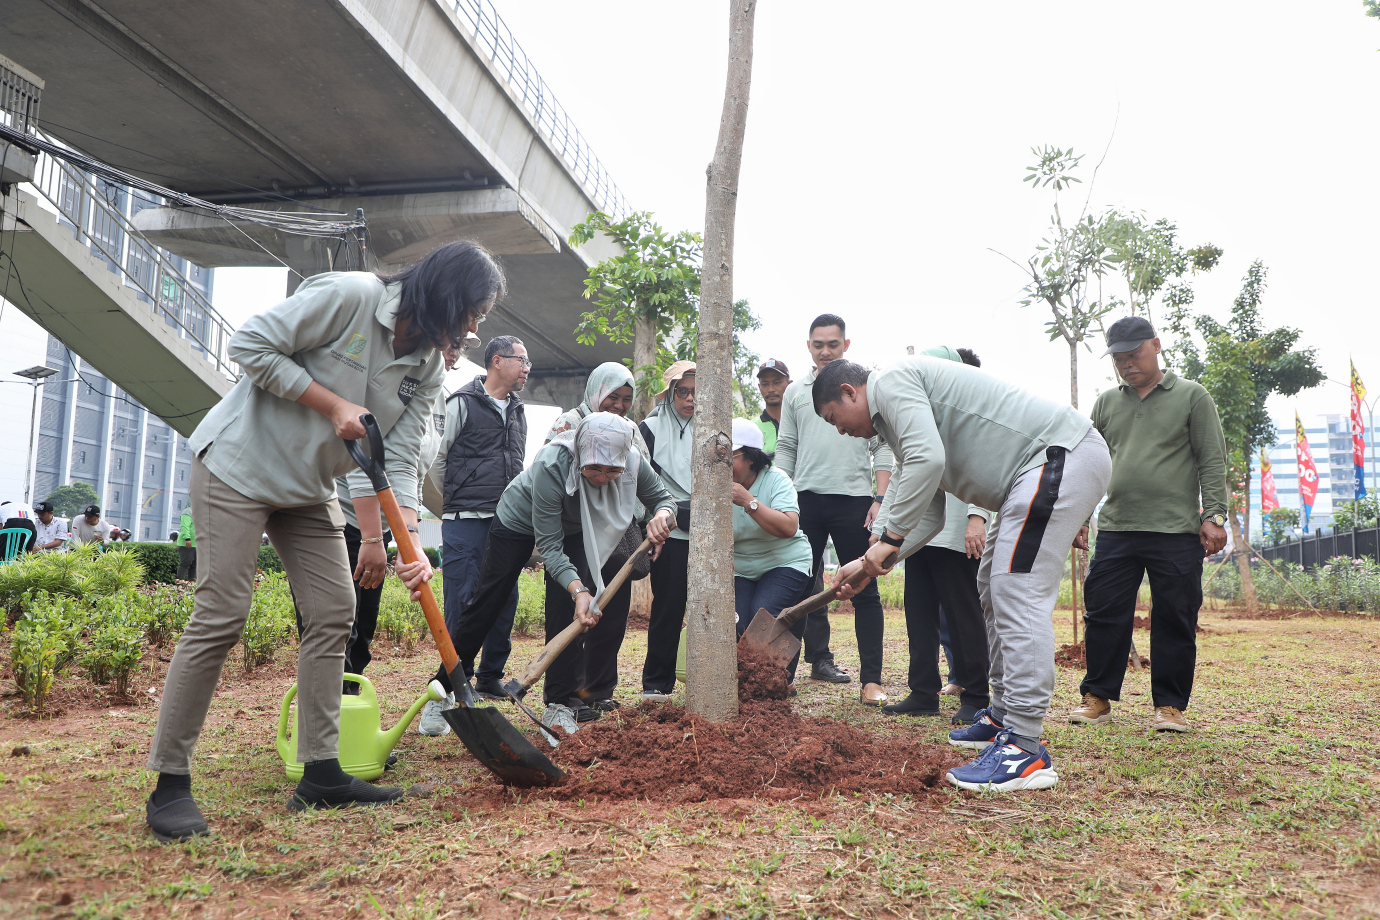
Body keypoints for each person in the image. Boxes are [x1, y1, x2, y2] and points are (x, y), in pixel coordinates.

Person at [143, 240, 505, 843]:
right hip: (237, 464)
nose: (474, 330)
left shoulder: (429, 367)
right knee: (222, 615)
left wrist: (407, 544)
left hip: (307, 488)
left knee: (335, 615)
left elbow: (397, 461)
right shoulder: (350, 296)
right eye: (473, 313)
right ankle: (170, 784)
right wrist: (331, 402)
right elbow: (249, 345)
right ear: (445, 296)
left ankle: (321, 773)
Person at [815, 356, 1111, 792]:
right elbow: (930, 513)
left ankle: (1025, 749)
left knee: (1017, 590)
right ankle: (1002, 720)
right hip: (1032, 475)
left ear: (849, 392)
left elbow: (927, 461)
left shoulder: (893, 382)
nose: (840, 430)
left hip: (1057, 456)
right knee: (991, 587)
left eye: (834, 419)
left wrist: (887, 541)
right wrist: (870, 565)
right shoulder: (898, 422)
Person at [432, 412, 677, 724]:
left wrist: (662, 515)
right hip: (518, 521)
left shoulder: (633, 462)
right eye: (593, 468)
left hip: (576, 527)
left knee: (565, 612)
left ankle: (558, 704)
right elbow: (549, 546)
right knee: (488, 603)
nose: (601, 478)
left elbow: (663, 499)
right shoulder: (553, 464)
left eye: (611, 470)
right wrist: (580, 589)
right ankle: (441, 691)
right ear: (581, 455)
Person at [1072, 317, 1228, 733]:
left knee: (1175, 616)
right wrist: (1079, 517)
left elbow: (1212, 459)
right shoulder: (1106, 403)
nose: (1127, 365)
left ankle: (1170, 706)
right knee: (1104, 614)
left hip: (1176, 530)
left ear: (1156, 345)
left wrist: (1214, 516)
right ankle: (1097, 697)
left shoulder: (1192, 397)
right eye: (1119, 359)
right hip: (1118, 528)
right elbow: (1088, 463)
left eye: (1134, 355)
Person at [775, 314, 893, 704]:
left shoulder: (861, 389)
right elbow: (786, 448)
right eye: (818, 344)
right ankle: (783, 676)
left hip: (855, 504)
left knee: (864, 589)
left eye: (833, 344)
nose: (825, 350)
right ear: (808, 346)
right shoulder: (794, 393)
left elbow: (881, 447)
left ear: (846, 345)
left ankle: (871, 682)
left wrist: (879, 499)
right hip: (803, 502)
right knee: (796, 585)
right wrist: (780, 498)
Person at [416, 336, 528, 735]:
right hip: (465, 518)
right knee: (462, 600)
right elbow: (437, 461)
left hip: (507, 522)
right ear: (497, 361)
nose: (527, 367)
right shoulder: (460, 403)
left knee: (504, 597)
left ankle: (490, 675)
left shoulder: (518, 411)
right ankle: (451, 686)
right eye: (521, 360)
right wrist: (456, 500)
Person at [339, 342, 460, 705]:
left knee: (363, 625)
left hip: (383, 523)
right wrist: (372, 539)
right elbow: (365, 465)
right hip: (340, 517)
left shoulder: (437, 394)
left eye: (462, 346)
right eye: (451, 342)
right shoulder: (391, 381)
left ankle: (351, 711)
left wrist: (410, 540)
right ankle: (329, 727)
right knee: (338, 622)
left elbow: (409, 468)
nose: (455, 351)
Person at [882, 346, 992, 724]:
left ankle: (976, 694)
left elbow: (987, 468)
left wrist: (977, 517)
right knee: (919, 612)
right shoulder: (914, 415)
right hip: (919, 530)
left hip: (958, 529)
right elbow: (900, 471)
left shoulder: (968, 417)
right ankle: (923, 691)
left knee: (963, 614)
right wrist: (885, 529)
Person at [729, 418, 814, 682]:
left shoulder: (776, 480)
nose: (722, 464)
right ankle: (752, 683)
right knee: (739, 624)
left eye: (729, 456)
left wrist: (748, 501)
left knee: (763, 615)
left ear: (751, 458)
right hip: (742, 567)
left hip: (786, 561)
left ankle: (778, 682)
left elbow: (789, 526)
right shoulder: (714, 487)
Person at [638, 361, 697, 702]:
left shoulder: (714, 427)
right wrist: (651, 529)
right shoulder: (649, 429)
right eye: (683, 392)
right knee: (668, 609)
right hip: (668, 532)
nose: (690, 399)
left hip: (708, 531)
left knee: (711, 609)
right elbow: (640, 484)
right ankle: (657, 684)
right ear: (670, 394)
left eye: (696, 393)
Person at [545, 361, 648, 460]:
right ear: (596, 393)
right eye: (613, 397)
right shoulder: (570, 423)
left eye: (626, 400)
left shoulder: (631, 430)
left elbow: (644, 473)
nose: (619, 405)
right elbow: (551, 470)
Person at [753, 359, 791, 453]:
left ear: (790, 385)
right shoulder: (753, 428)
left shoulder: (800, 422)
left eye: (777, 383)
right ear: (759, 387)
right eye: (765, 384)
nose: (771, 389)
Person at [176, 506, 196, 580]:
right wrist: (187, 538)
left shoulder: (202, 512)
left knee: (194, 566)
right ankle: (180, 585)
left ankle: (192, 585)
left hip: (198, 544)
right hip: (187, 544)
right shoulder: (188, 512)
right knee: (185, 564)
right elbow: (184, 526)